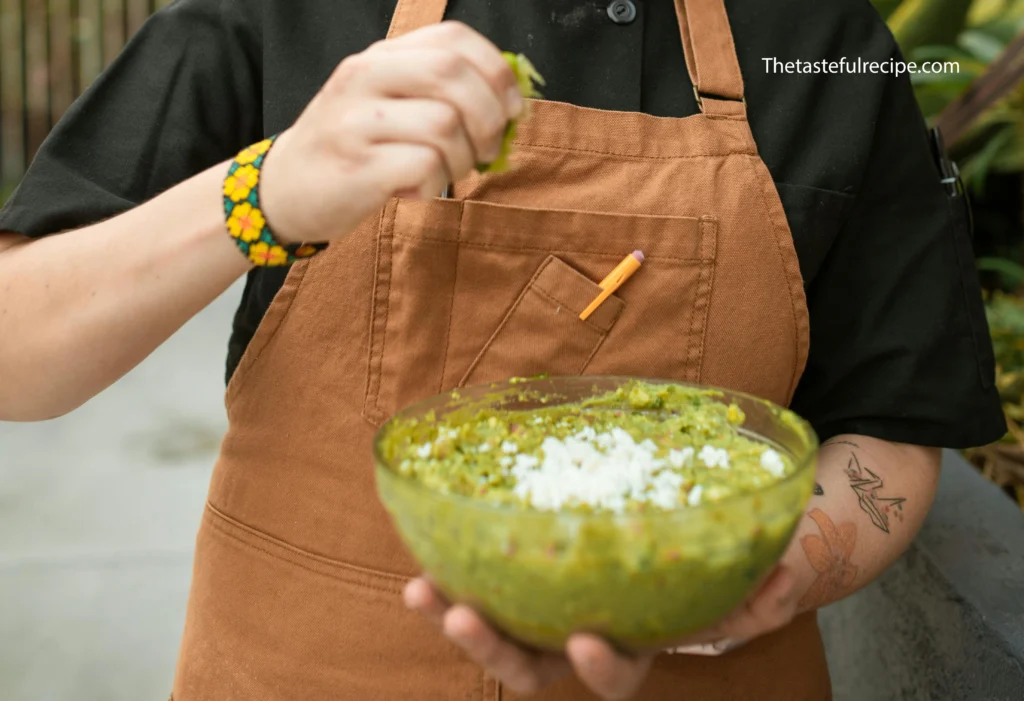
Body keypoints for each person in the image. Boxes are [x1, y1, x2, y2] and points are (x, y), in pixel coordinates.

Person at [0, 0, 1005, 699]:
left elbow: (897, 425)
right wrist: (260, 193)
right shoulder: (277, 11)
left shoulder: (823, 44)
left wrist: (752, 577)